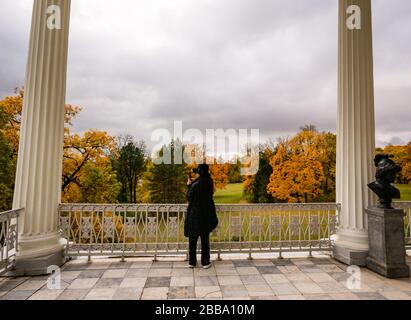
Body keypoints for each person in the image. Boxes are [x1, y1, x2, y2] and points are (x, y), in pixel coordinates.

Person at [185, 164, 219, 269]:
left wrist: (189, 185)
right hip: (205, 215)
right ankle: (205, 262)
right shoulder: (209, 182)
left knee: (193, 239)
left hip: (194, 216)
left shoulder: (195, 185)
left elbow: (189, 197)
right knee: (205, 240)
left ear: (200, 172)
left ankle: (192, 262)